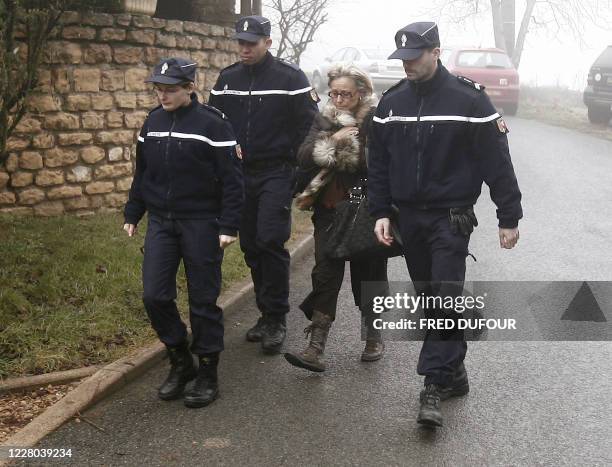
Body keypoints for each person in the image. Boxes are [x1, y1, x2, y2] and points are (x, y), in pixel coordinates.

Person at [368, 22, 523, 427]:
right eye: (402, 58)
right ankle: (454, 371)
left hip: (451, 217)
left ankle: (432, 385)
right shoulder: (391, 103)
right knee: (430, 298)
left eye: (415, 57)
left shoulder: (469, 100)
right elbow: (378, 164)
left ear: (436, 52)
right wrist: (380, 211)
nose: (407, 65)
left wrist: (509, 217)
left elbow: (497, 162)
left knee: (446, 295)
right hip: (408, 217)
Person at [123, 57, 244, 408]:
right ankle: (180, 359)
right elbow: (142, 173)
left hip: (202, 223)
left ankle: (208, 371)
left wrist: (228, 224)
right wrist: (134, 212)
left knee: (203, 301)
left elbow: (233, 181)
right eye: (158, 88)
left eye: (170, 89)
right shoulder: (153, 121)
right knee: (154, 296)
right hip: (161, 221)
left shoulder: (214, 125)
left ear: (190, 88)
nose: (163, 95)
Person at [208, 16, 318, 354]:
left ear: (268, 43)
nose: (244, 48)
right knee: (252, 246)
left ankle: (276, 318)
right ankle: (265, 311)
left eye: (251, 43)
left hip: (276, 172)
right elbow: (214, 124)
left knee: (270, 240)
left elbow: (310, 127)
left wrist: (298, 171)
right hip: (238, 175)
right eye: (240, 42)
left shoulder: (290, 78)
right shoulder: (226, 79)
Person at [284, 65, 389, 372]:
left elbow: (378, 163)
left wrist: (344, 147)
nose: (340, 99)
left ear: (361, 93)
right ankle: (315, 347)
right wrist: (335, 140)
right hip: (329, 210)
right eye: (335, 93)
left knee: (368, 274)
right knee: (325, 274)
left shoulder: (375, 121)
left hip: (365, 210)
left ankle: (373, 336)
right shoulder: (325, 119)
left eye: (347, 93)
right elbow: (303, 155)